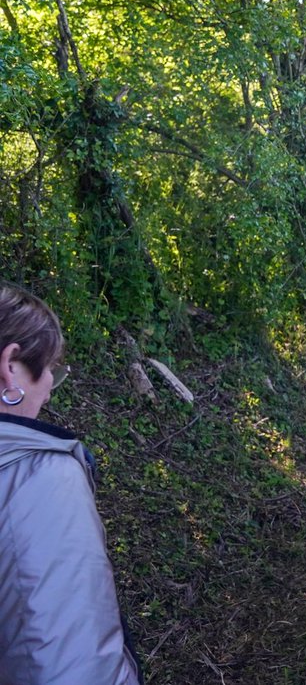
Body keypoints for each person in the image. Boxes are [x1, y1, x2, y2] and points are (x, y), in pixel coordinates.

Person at [0, 284, 143, 684]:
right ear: (10, 366)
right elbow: (67, 661)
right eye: (49, 370)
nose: (48, 390)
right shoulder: (39, 480)